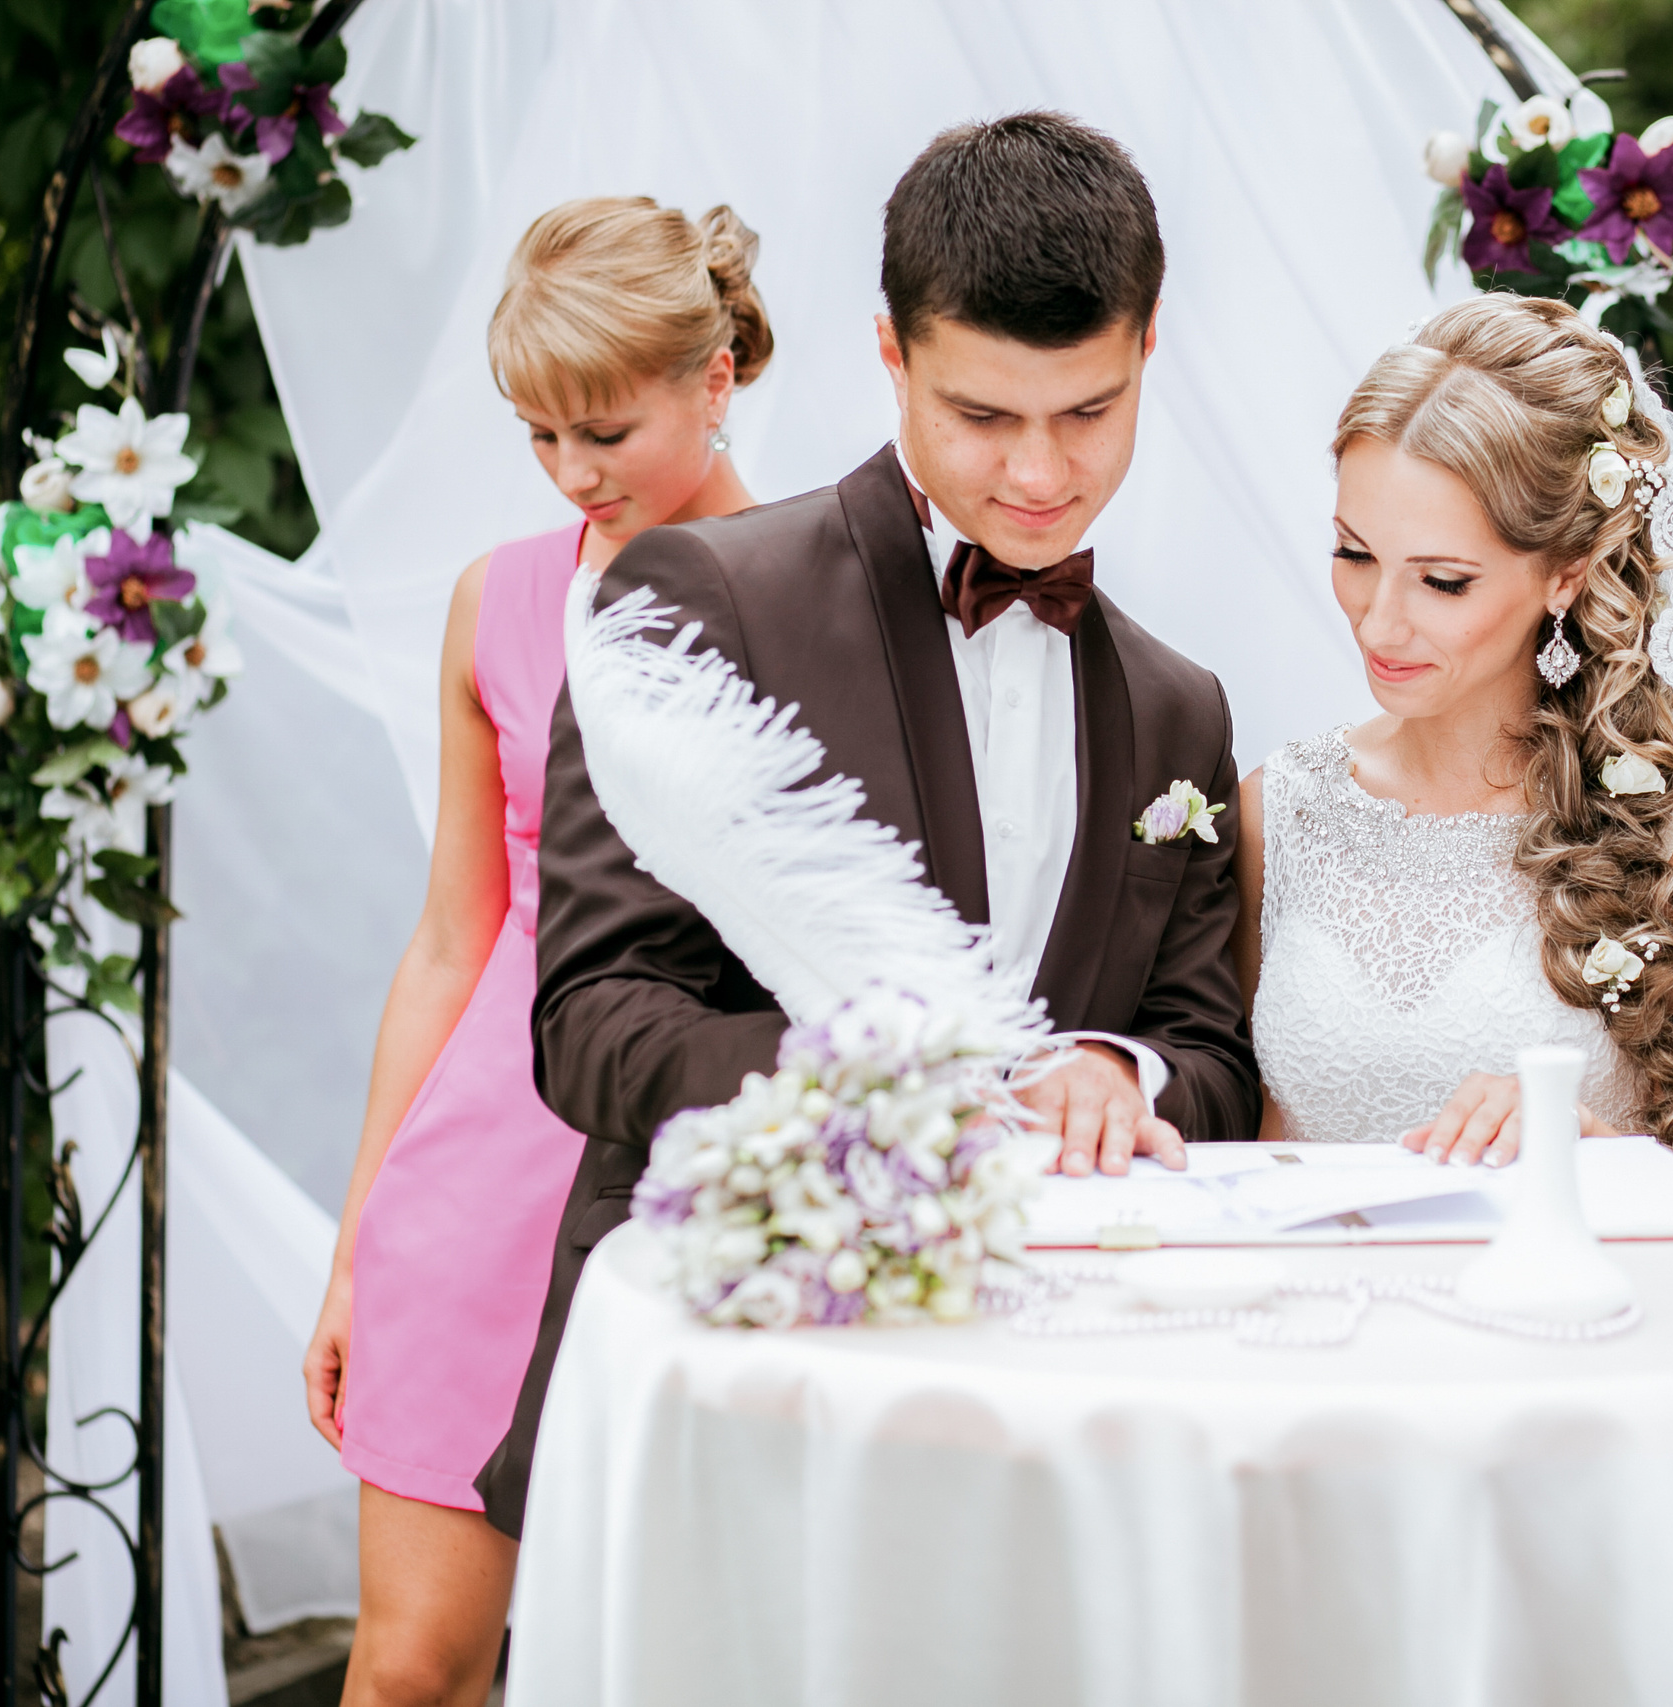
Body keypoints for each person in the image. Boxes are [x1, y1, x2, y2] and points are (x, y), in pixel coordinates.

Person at [474, 110, 1260, 1536]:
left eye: (1086, 412)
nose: (1039, 472)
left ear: (1148, 353)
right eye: (982, 416)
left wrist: (1116, 1070)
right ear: (891, 356)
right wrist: (890, 1082)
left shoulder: (1178, 711)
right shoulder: (697, 598)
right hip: (741, 1379)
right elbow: (590, 1019)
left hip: (1064, 1433)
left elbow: (1210, 1056)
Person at [299, 195, 771, 1706]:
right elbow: (451, 941)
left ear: (718, 376)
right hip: (475, 1183)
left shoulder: (827, 596)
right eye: (539, 436)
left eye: (607, 430)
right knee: (411, 1672)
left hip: (707, 1169)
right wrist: (359, 1239)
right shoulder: (494, 602)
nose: (575, 475)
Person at [1237, 293, 1673, 1168]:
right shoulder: (1278, 811)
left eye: (1442, 581)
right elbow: (1248, 1139)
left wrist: (1594, 1154)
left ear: (1567, 573)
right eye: (1354, 554)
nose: (1378, 623)